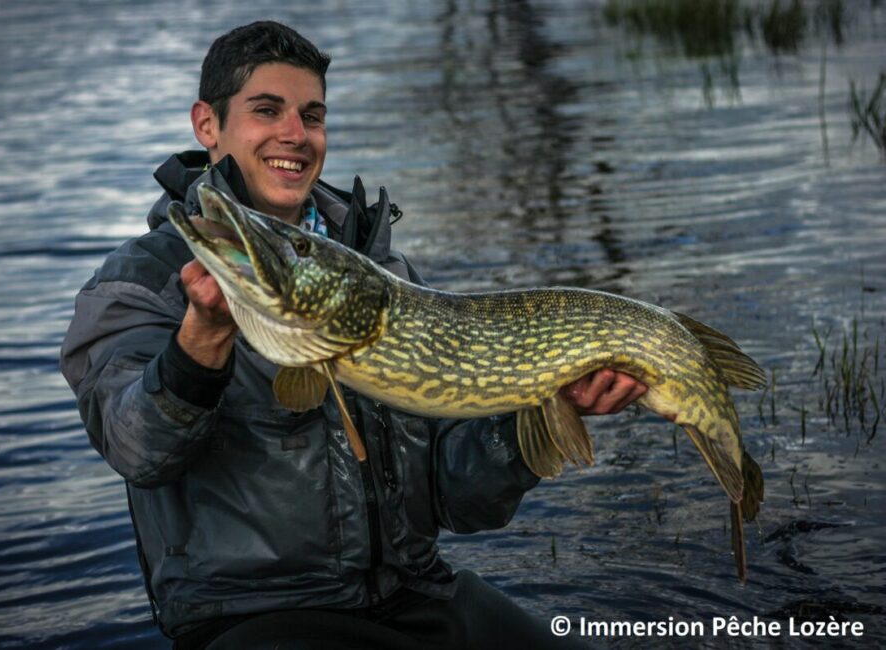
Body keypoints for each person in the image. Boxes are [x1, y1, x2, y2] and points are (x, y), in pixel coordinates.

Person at [60, 21, 647, 650]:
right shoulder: (138, 284)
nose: (295, 134)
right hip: (258, 618)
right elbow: (136, 451)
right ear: (208, 124)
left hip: (416, 594)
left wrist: (541, 415)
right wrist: (200, 344)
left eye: (312, 116)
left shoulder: (382, 274)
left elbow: (458, 499)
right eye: (267, 110)